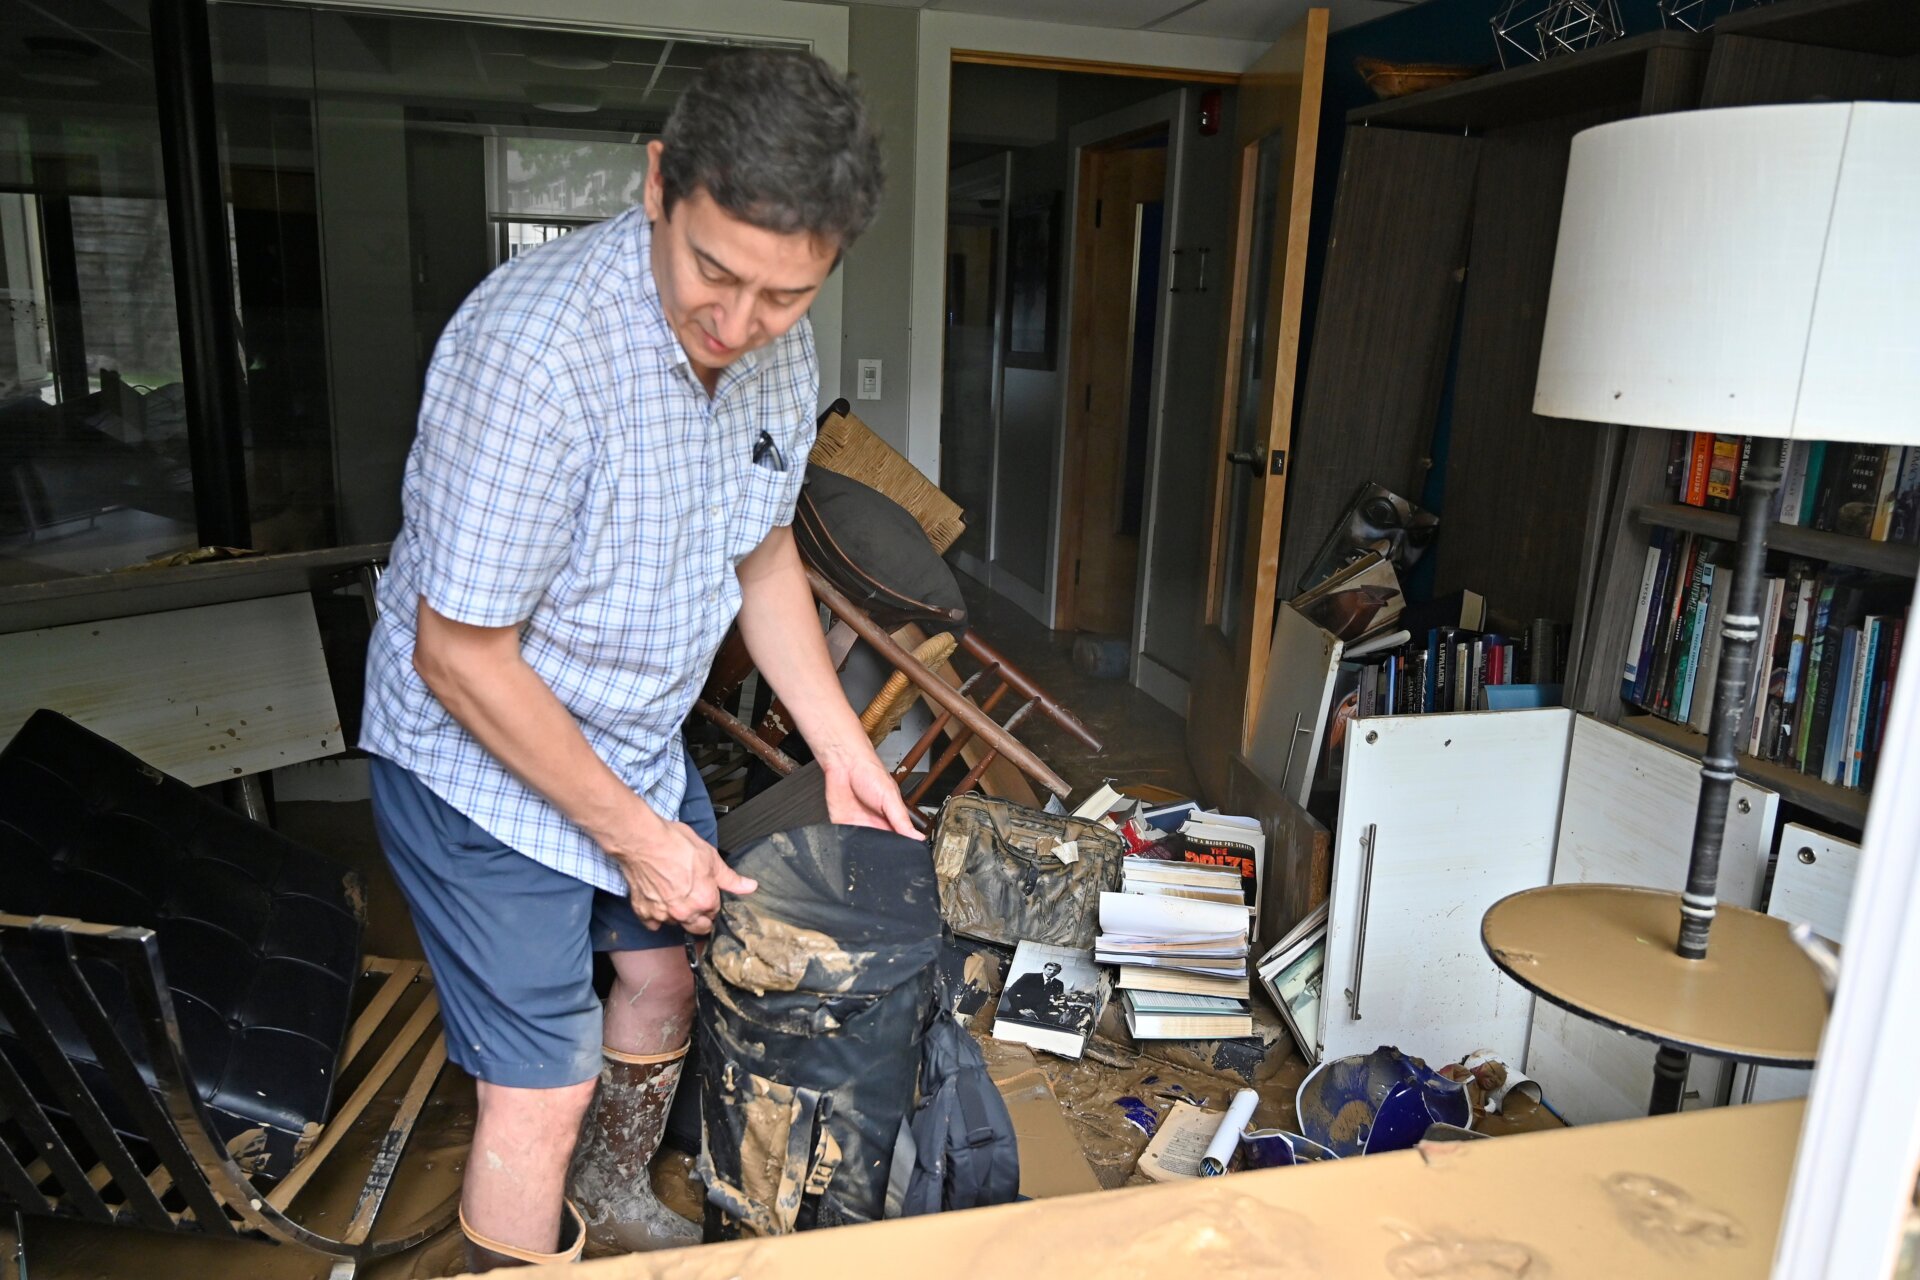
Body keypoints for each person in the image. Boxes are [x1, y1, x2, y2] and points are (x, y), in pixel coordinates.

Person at [359, 50, 913, 1271]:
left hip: (630, 733)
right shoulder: (533, 355)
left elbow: (762, 552)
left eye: (784, 294)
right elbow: (459, 655)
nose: (738, 323)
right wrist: (639, 838)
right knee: (540, 1085)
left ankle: (608, 1195)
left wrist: (842, 749)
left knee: (665, 983)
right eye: (715, 271)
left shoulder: (774, 349)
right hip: (478, 756)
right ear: (660, 183)